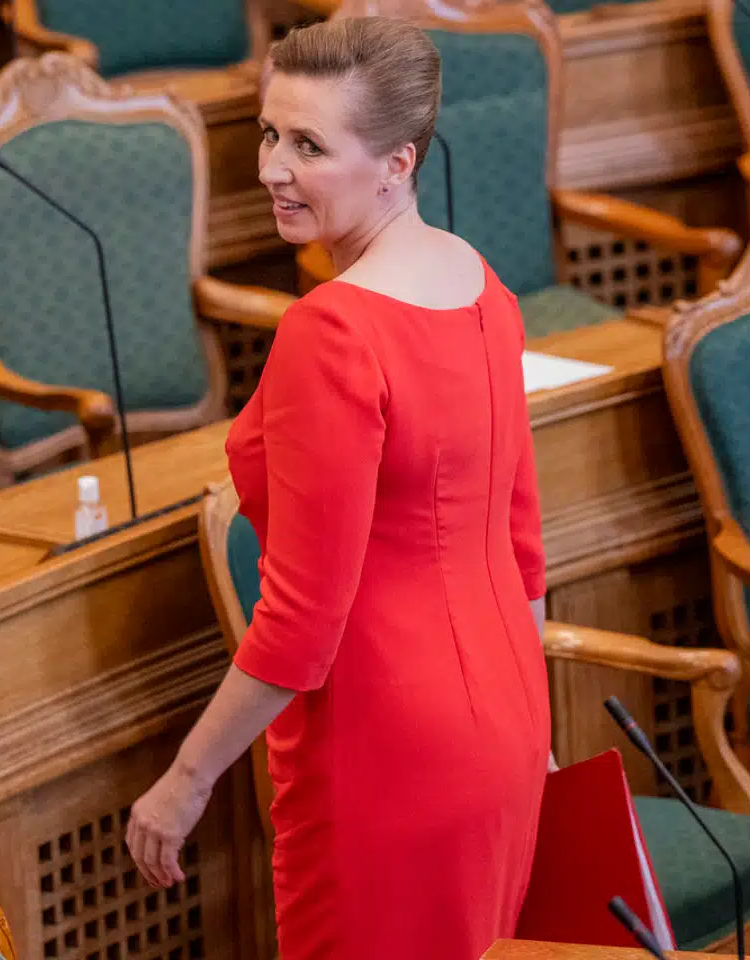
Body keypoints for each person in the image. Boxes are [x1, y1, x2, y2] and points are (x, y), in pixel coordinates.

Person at [125, 16, 552, 958]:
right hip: (509, 723)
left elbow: (302, 621)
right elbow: (523, 548)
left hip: (387, 746)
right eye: (270, 134)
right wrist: (538, 732)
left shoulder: (333, 332)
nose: (274, 169)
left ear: (397, 163)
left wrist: (187, 780)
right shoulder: (481, 285)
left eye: (310, 146)